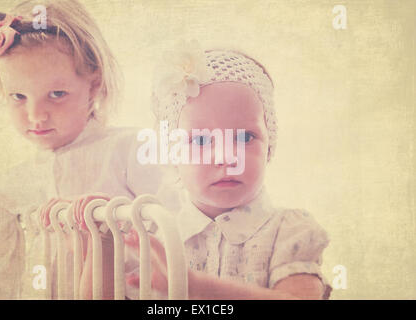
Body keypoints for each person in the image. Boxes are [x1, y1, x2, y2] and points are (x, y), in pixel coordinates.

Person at [0, 0, 163, 299]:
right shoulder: (8, 190)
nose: (36, 115)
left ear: (94, 83)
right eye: (18, 96)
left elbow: (176, 250)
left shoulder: (131, 151)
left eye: (56, 94)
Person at [124, 41, 332, 300]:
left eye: (244, 137)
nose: (225, 156)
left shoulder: (290, 232)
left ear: (269, 145)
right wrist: (95, 240)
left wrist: (196, 287)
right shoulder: (160, 239)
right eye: (200, 140)